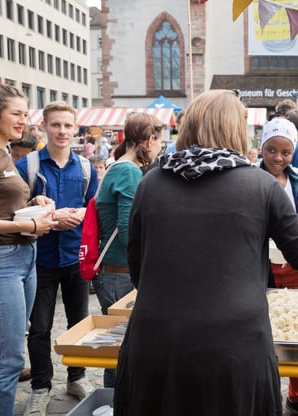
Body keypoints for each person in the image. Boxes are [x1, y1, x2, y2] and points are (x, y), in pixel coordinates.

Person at [113, 89, 298, 416]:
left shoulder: (150, 183)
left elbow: (139, 270)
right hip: (234, 351)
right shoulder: (263, 186)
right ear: (235, 130)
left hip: (156, 345)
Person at [0, 77, 56, 415]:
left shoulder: (2, 153)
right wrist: (26, 224)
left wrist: (35, 201)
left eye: (26, 114)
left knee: (4, 359)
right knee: (8, 361)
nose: (24, 121)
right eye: (17, 114)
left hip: (21, 258)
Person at [15, 102, 99, 415]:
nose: (62, 131)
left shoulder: (86, 167)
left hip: (76, 256)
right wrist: (49, 213)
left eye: (67, 125)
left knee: (79, 323)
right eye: (56, 125)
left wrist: (80, 214)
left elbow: (93, 210)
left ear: (75, 128)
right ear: (45, 126)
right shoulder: (29, 166)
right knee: (39, 327)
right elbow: (16, 210)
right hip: (39, 257)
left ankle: (76, 378)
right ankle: (40, 386)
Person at [94, 112, 164, 388]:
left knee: (117, 349)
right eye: (159, 142)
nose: (160, 148)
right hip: (121, 274)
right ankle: (116, 402)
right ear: (148, 141)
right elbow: (128, 232)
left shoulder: (118, 166)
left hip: (113, 273)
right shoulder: (129, 171)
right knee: (122, 351)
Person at [259, 117, 298, 416]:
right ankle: (266, 393)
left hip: (296, 266)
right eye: (271, 150)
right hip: (264, 265)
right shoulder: (252, 177)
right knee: (264, 331)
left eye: (286, 152)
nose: (278, 158)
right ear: (262, 148)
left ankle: (297, 396)